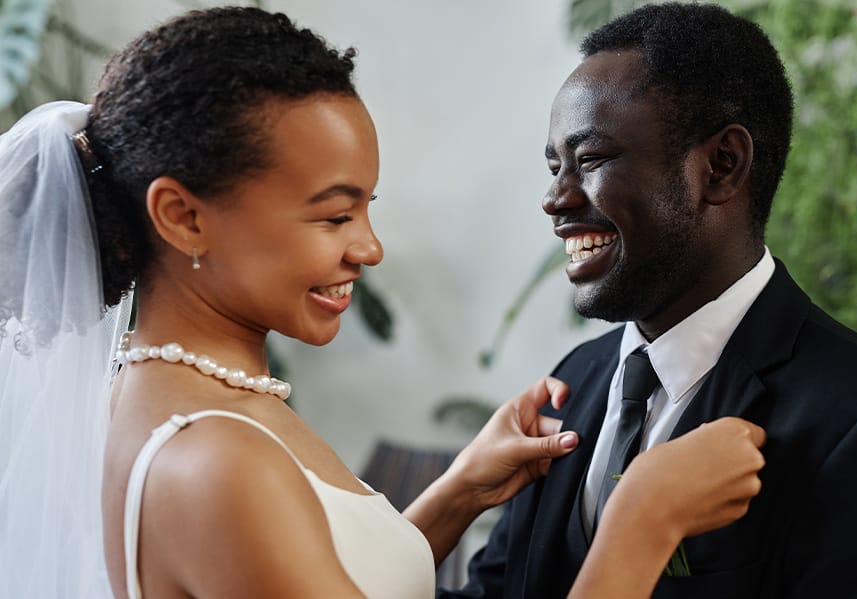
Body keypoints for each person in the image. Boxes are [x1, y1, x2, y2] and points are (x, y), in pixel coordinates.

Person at [0, 7, 766, 599]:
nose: (367, 248)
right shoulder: (214, 460)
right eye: (333, 215)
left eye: (367, 208)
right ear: (183, 215)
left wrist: (456, 495)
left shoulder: (188, 399)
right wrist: (642, 520)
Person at [442, 2, 857, 598]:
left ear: (721, 166)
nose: (555, 199)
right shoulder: (573, 383)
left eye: (591, 159)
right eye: (555, 166)